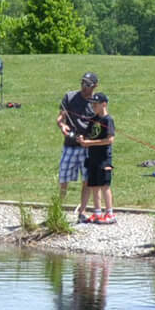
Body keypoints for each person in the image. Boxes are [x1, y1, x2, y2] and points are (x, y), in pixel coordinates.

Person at [56, 71, 99, 222]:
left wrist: (87, 139)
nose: (83, 87)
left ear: (94, 86)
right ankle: (57, 210)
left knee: (87, 180)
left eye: (87, 84)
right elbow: (61, 117)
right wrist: (62, 126)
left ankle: (82, 211)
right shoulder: (69, 96)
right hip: (70, 145)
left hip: (87, 147)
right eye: (82, 83)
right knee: (63, 178)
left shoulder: (96, 102)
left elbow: (99, 127)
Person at [80, 92, 116, 224]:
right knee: (94, 185)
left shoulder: (108, 120)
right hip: (92, 157)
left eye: (95, 104)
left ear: (104, 104)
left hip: (104, 158)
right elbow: (88, 135)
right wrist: (82, 139)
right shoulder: (93, 119)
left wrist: (90, 143)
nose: (93, 106)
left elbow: (110, 140)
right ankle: (97, 212)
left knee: (104, 185)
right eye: (92, 104)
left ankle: (110, 213)